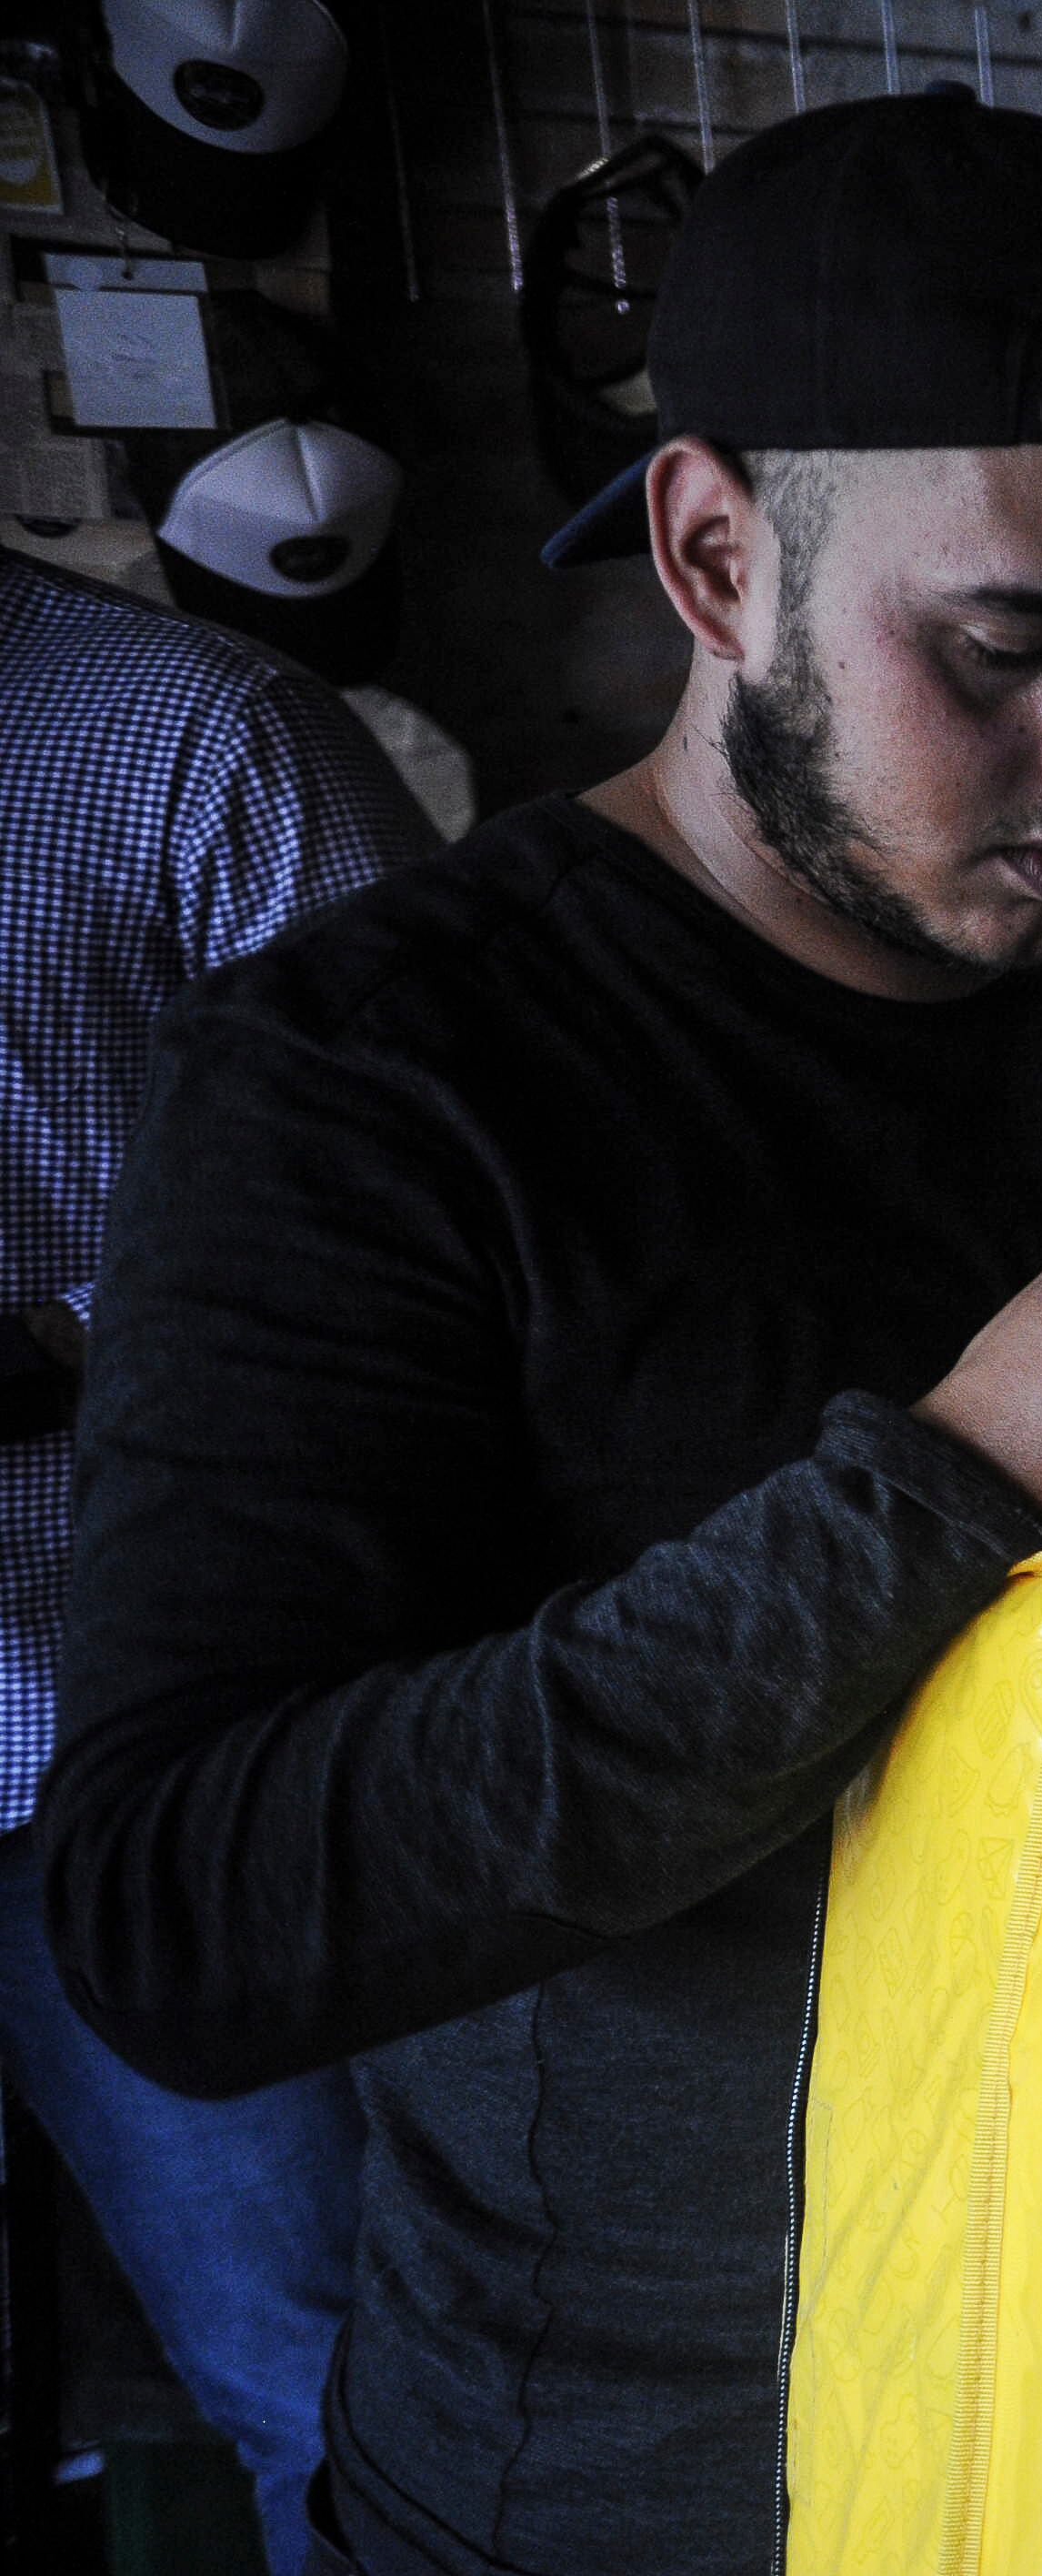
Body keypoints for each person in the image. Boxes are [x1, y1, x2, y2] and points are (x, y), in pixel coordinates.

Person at [40, 96, 1042, 2576]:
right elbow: (182, 1915)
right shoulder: (371, 1074)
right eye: (1003, 647)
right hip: (656, 2491)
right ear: (713, 555)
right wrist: (949, 1496)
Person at [0, 546, 436, 2573]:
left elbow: (434, 1228)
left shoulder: (197, 740)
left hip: (133, 1748)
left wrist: (58, 1343)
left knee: (336, 2389)